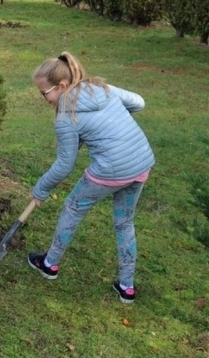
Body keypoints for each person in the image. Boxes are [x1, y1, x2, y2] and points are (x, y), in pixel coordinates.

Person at [27, 52, 155, 304]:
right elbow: (138, 102)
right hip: (140, 163)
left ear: (62, 86)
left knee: (73, 208)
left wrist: (40, 189)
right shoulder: (101, 88)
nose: (43, 98)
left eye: (44, 93)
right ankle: (126, 287)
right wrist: (113, 120)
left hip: (110, 170)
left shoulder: (66, 117)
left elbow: (65, 165)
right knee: (124, 223)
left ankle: (49, 264)